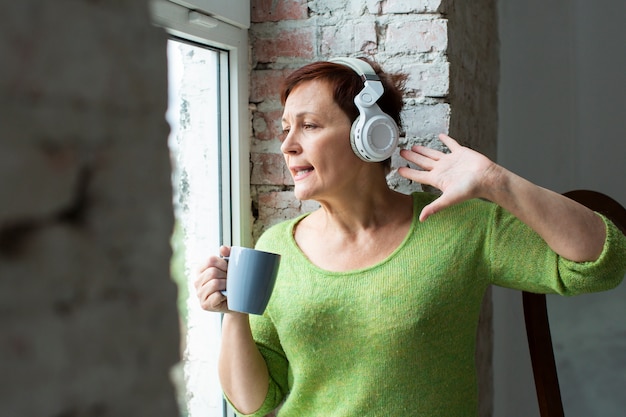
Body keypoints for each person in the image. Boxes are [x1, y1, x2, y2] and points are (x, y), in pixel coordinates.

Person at [194, 57, 626, 417]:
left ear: (369, 135)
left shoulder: (460, 226)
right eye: (285, 128)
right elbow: (254, 401)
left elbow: (600, 264)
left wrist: (497, 182)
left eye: (308, 126)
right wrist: (233, 314)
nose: (287, 145)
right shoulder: (274, 247)